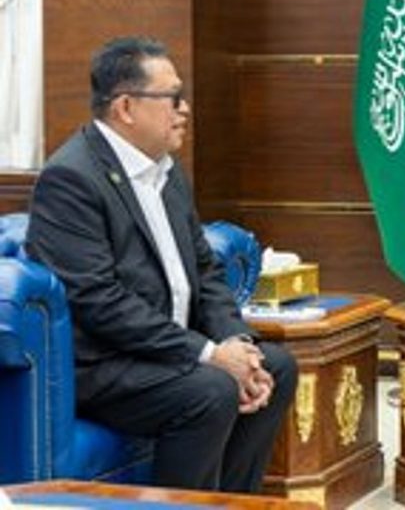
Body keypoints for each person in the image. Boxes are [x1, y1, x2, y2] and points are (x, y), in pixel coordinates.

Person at [25, 37, 298, 492]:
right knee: (211, 391)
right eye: (173, 97)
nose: (184, 109)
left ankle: (231, 502)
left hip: (165, 352)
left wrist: (236, 342)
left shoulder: (167, 173)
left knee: (276, 367)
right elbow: (99, 301)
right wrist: (209, 354)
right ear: (126, 107)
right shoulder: (71, 179)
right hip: (106, 364)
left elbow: (206, 272)